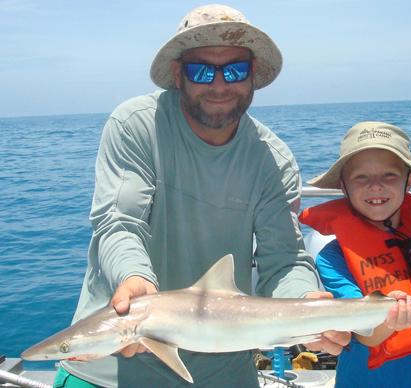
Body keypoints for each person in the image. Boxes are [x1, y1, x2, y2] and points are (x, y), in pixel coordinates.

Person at [55, 4, 350, 388]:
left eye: (234, 70)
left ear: (253, 76)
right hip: (111, 362)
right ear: (178, 74)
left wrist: (307, 302)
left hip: (223, 371)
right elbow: (119, 223)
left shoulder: (272, 160)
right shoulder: (137, 126)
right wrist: (134, 278)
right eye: (201, 70)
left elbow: (284, 260)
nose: (219, 84)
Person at [299, 121, 411, 388]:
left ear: (409, 181)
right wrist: (392, 318)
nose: (375, 186)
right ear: (344, 187)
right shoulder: (333, 258)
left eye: (389, 175)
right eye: (361, 177)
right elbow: (366, 335)